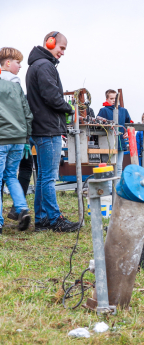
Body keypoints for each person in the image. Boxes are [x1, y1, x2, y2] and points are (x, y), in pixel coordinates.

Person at [26, 32, 80, 232]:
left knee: (42, 177)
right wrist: (70, 108)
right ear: (50, 42)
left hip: (41, 127)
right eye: (62, 48)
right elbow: (51, 97)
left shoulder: (36, 65)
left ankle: (42, 219)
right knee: (49, 177)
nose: (63, 53)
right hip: (47, 129)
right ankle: (55, 219)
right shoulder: (45, 66)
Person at [0, 47, 33, 233]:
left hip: (2, 138)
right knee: (11, 176)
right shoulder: (17, 86)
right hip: (19, 139)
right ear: (7, 63)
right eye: (18, 62)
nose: (21, 66)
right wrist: (26, 138)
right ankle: (22, 209)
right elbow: (27, 113)